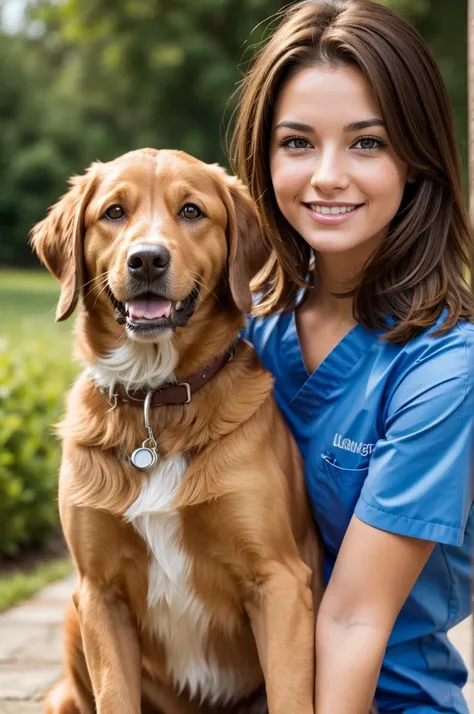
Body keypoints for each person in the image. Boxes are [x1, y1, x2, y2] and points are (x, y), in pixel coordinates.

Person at [229, 1, 474, 712]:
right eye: (297, 143)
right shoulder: (248, 330)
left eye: (367, 144)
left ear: (417, 157)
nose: (327, 177)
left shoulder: (443, 368)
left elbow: (351, 618)